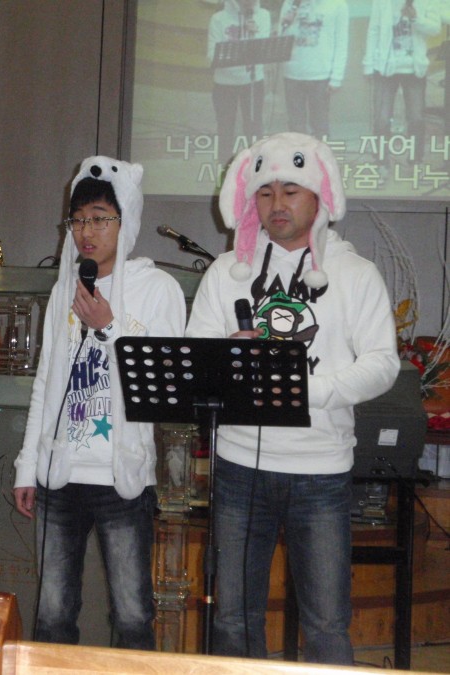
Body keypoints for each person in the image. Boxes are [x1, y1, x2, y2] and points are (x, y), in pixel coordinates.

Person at [186, 132, 400, 664]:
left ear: (318, 195)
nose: (276, 203)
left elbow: (383, 363)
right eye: (265, 192)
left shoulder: (355, 273)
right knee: (233, 620)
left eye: (290, 190)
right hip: (238, 467)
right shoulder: (225, 273)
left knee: (326, 625)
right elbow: (197, 361)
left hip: (321, 471)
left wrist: (308, 392)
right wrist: (228, 357)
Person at [13, 156, 186, 648]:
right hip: (60, 475)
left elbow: (166, 384)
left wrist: (109, 328)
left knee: (132, 616)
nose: (87, 232)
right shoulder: (64, 289)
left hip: (121, 480)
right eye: (78, 220)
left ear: (125, 220)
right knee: (52, 615)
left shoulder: (158, 289)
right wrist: (28, 465)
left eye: (99, 219)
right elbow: (47, 382)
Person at [363, 0, 442, 163]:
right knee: (382, 118)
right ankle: (381, 161)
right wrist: (368, 65)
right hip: (385, 68)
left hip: (414, 68)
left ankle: (415, 160)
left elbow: (435, 29)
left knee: (416, 118)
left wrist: (415, 19)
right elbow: (374, 30)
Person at [208, 0, 272, 160]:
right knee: (225, 130)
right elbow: (211, 57)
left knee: (254, 129)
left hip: (253, 83)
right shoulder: (218, 19)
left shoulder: (263, 16)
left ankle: (256, 169)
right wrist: (241, 51)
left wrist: (254, 35)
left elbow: (264, 51)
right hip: (224, 84)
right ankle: (225, 170)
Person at [278, 0, 349, 139]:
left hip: (320, 75)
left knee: (320, 125)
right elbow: (281, 38)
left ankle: (320, 152)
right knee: (296, 126)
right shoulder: (290, 3)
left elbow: (341, 42)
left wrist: (337, 77)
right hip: (293, 73)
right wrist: (287, 22)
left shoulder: (338, 5)